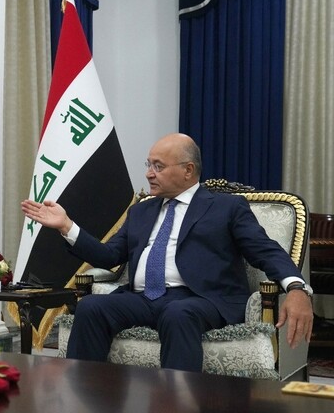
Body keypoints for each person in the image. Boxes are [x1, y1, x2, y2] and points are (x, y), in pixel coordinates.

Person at [21, 133, 314, 372]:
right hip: (142, 298)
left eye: (158, 166)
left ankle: (176, 402)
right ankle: (85, 397)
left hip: (200, 299)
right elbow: (110, 256)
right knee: (91, 307)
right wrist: (67, 226)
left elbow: (265, 250)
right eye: (148, 164)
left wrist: (297, 287)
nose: (149, 173)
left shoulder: (227, 207)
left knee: (178, 313)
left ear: (188, 170)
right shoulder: (141, 210)